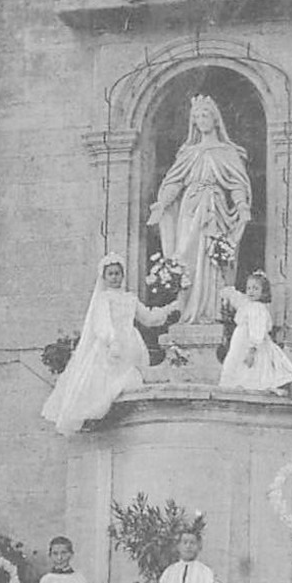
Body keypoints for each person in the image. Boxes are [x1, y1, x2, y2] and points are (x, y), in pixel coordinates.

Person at [41, 253, 179, 434]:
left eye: (117, 273)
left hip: (130, 345)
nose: (115, 277)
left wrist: (170, 309)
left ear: (123, 275)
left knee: (131, 379)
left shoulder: (130, 299)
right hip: (110, 346)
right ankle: (100, 420)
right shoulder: (103, 299)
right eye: (111, 274)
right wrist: (112, 340)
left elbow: (148, 318)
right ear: (104, 278)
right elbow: (102, 323)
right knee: (104, 383)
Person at [147, 95, 252, 324]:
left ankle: (212, 312)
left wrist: (242, 205)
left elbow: (236, 183)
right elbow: (174, 181)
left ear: (215, 119)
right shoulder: (188, 152)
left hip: (215, 209)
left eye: (205, 115)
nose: (201, 120)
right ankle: (188, 312)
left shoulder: (226, 151)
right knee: (187, 256)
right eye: (197, 117)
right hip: (190, 210)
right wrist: (162, 203)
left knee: (213, 257)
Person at [219, 271, 292, 395]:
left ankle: (248, 385)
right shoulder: (248, 304)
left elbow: (257, 330)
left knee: (253, 365)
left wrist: (252, 350)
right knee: (236, 363)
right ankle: (237, 385)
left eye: (256, 289)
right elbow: (235, 297)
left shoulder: (257, 308)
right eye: (249, 288)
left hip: (250, 344)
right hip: (241, 343)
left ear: (264, 292)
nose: (251, 291)